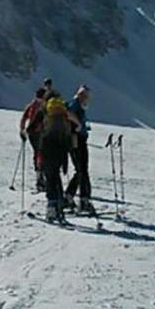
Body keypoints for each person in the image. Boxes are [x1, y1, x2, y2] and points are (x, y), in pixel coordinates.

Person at [38, 93, 81, 223]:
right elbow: (73, 133)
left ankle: (52, 206)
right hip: (61, 150)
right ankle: (58, 206)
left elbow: (39, 132)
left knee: (50, 177)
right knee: (55, 176)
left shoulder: (47, 115)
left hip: (47, 149)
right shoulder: (65, 118)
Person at [63, 85, 95, 215]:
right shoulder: (75, 105)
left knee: (80, 170)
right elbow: (69, 114)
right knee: (83, 170)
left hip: (77, 140)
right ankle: (84, 200)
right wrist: (79, 124)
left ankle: (69, 196)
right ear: (81, 95)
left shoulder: (77, 105)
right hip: (77, 141)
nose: (87, 99)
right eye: (86, 96)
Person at [18, 88, 47, 191]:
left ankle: (39, 175)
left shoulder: (31, 105)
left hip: (31, 133)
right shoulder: (43, 106)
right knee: (42, 153)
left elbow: (24, 118)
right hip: (41, 132)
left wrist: (22, 130)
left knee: (37, 152)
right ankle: (41, 177)